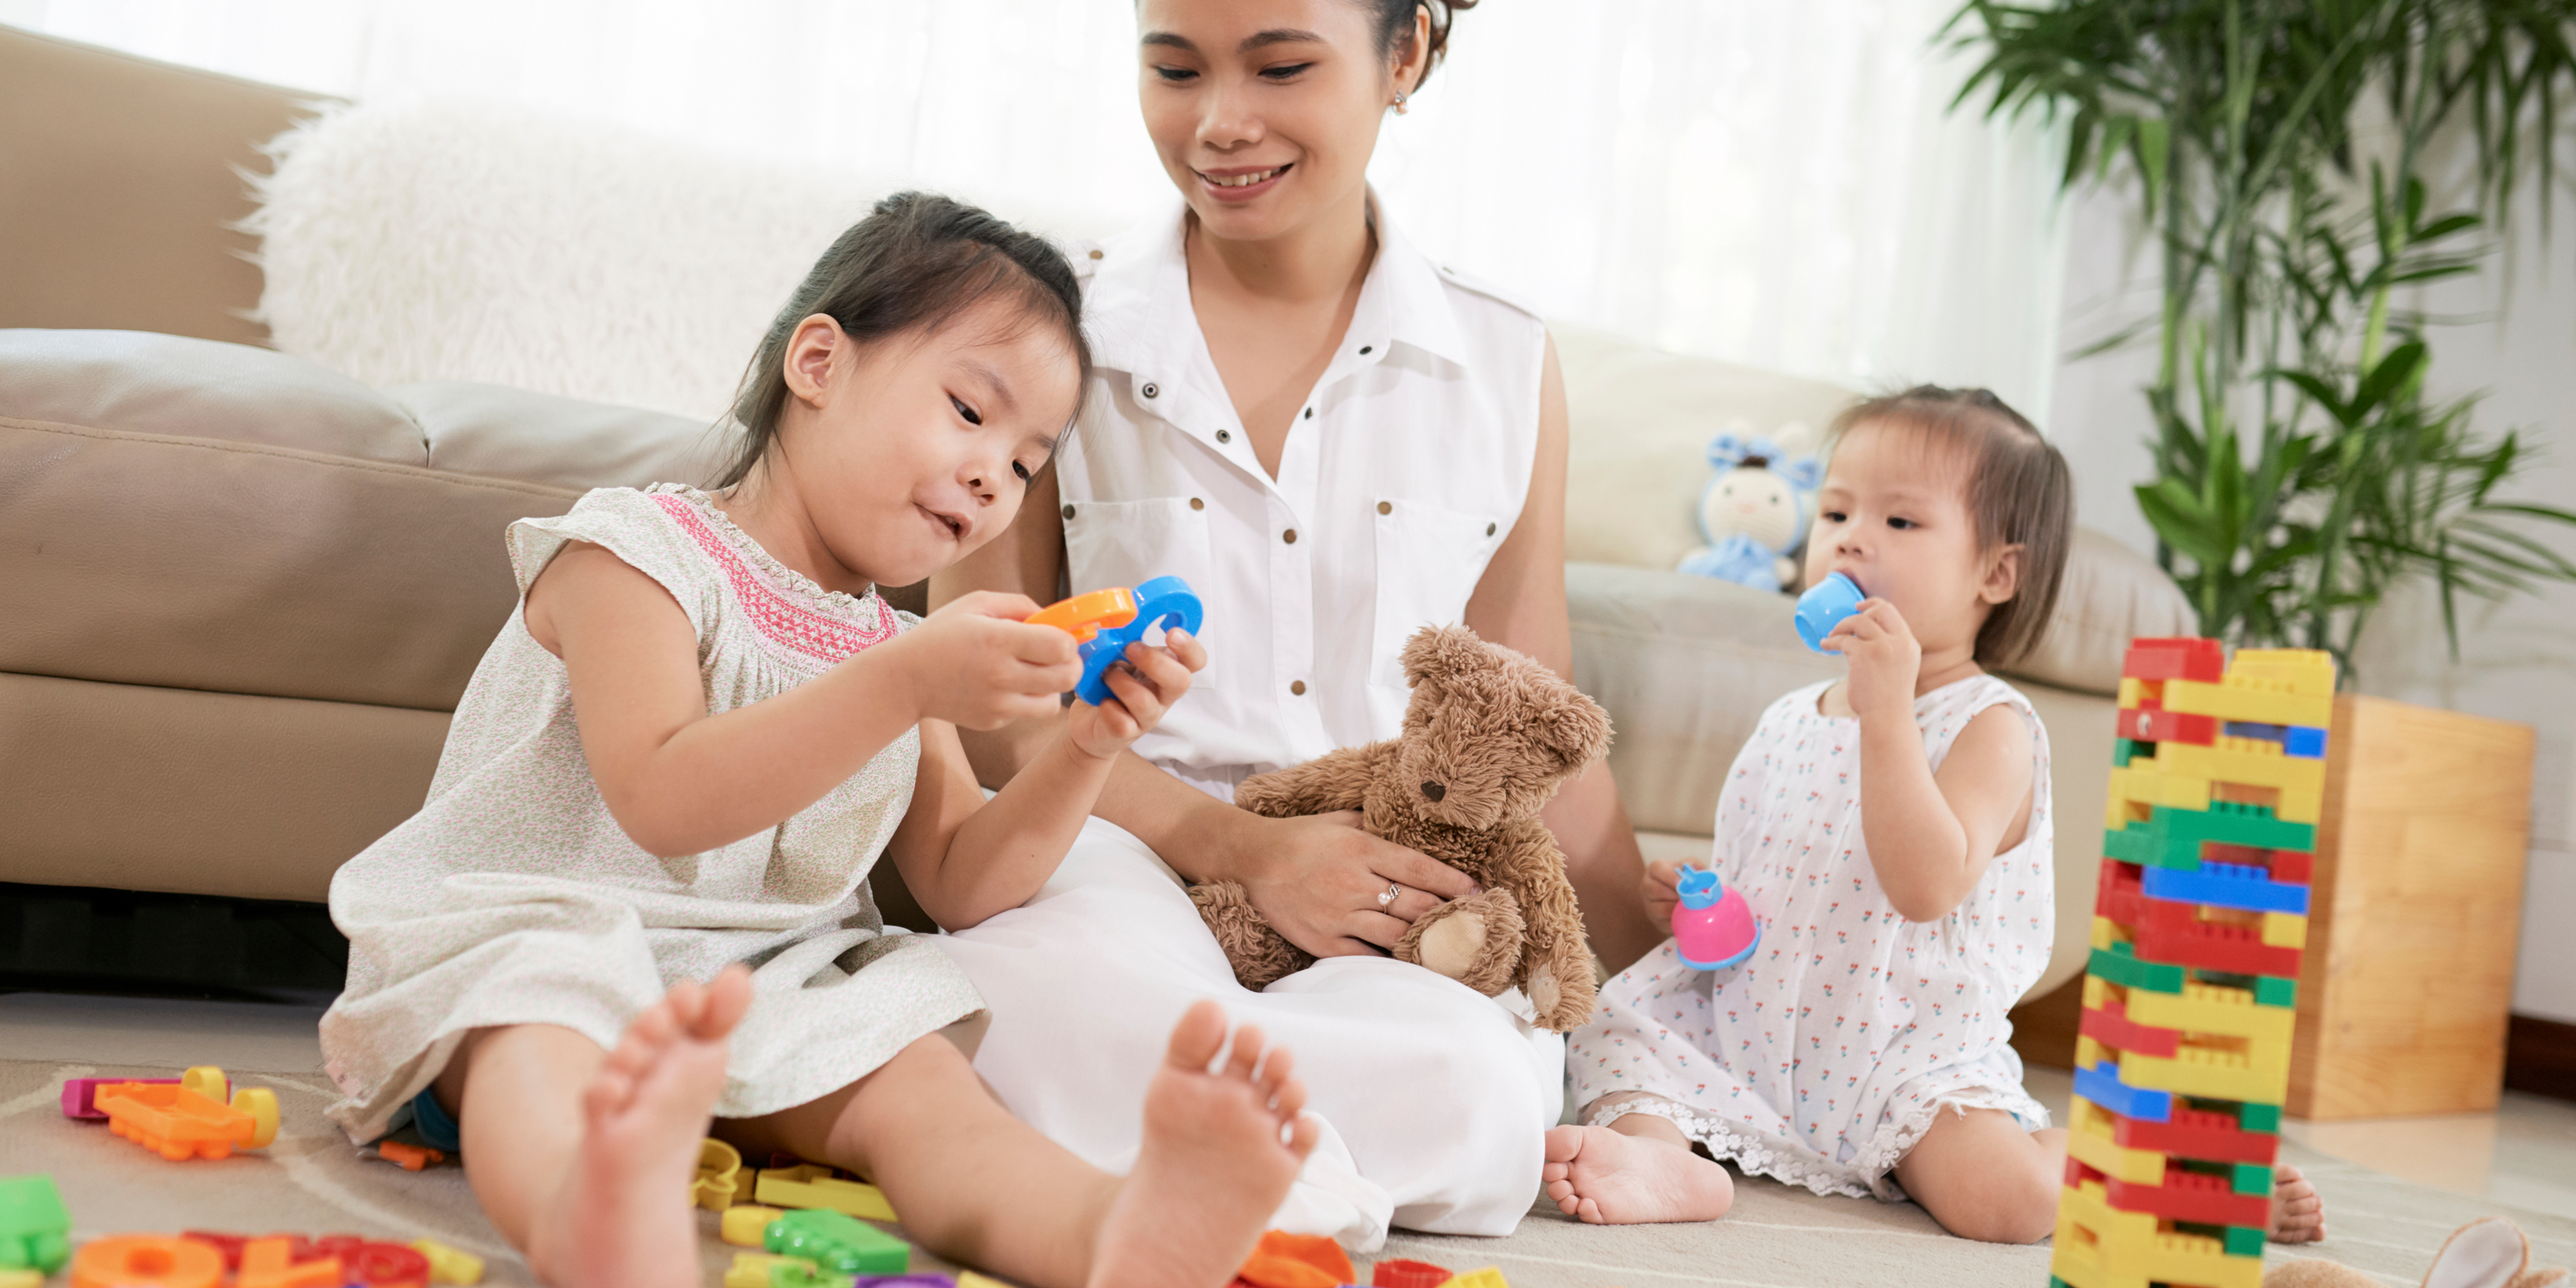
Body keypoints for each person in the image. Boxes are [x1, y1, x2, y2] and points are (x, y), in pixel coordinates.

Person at [316, 192, 1320, 1288]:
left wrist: (1086, 746)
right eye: (970, 414)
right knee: (538, 1040)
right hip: (540, 932)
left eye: (1030, 464)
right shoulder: (633, 553)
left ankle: (1108, 1234)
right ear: (819, 365)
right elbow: (664, 796)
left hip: (766, 982)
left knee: (921, 1084)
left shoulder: (895, 645)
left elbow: (963, 884)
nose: (996, 481)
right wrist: (903, 681)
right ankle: (584, 1209)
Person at [928, 0, 1662, 1248]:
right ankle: (1299, 1199)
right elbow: (995, 710)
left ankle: (1204, 1167)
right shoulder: (1057, 328)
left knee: (1485, 1088)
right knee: (1013, 987)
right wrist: (1243, 846)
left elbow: (1524, 715)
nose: (1219, 123)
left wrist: (1665, 973)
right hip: (1124, 836)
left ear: (1407, 54)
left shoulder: (1501, 358)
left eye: (1279, 67)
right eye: (1173, 68)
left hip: (1393, 868)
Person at [1541, 388, 2328, 1247]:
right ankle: (1665, 1161)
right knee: (1623, 1038)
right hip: (1752, 1035)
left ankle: (2167, 1170)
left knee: (2008, 1206)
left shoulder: (1991, 727)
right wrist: (1696, 905)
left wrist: (1889, 717)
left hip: (1901, 1056)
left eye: (1902, 523)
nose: (1849, 536)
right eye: (1836, 509)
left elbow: (1925, 887)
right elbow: (1767, 888)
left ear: (1996, 574)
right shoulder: (1788, 723)